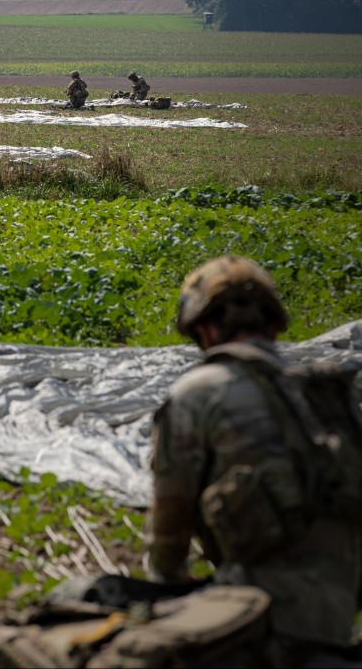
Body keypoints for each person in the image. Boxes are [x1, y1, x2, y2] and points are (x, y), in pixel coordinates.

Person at [147, 255, 362, 669]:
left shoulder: (199, 392)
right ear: (274, 323)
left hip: (255, 624)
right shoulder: (329, 395)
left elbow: (168, 535)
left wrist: (166, 594)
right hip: (337, 618)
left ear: (202, 328)